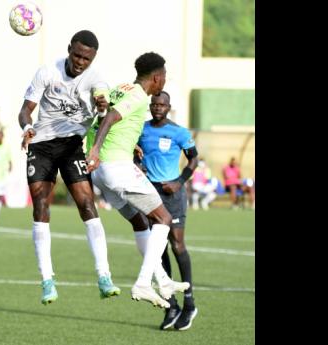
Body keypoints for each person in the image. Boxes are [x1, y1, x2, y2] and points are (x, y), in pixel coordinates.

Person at [18, 30, 120, 305]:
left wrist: (101, 104)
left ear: (93, 58)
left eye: (86, 58)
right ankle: (47, 280)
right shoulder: (47, 71)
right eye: (76, 55)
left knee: (87, 204)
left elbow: (102, 103)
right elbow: (25, 110)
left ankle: (104, 276)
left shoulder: (96, 79)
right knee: (40, 202)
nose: (80, 62)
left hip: (72, 145)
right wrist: (28, 128)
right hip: (41, 144)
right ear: (69, 49)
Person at [86, 52, 190, 310]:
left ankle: (163, 281)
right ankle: (144, 282)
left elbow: (101, 116)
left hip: (101, 173)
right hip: (116, 166)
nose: (165, 80)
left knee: (140, 220)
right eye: (164, 76)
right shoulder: (138, 96)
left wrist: (130, 146)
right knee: (163, 219)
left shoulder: (121, 89)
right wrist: (96, 150)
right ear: (156, 78)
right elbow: (110, 119)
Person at [136, 90, 199, 330]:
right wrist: (138, 165)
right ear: (150, 106)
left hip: (173, 195)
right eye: (154, 104)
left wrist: (179, 182)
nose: (157, 108)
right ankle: (171, 303)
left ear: (168, 107)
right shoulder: (142, 129)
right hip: (150, 195)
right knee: (157, 249)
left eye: (162, 105)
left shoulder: (179, 132)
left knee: (177, 245)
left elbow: (194, 159)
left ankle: (189, 303)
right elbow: (135, 153)